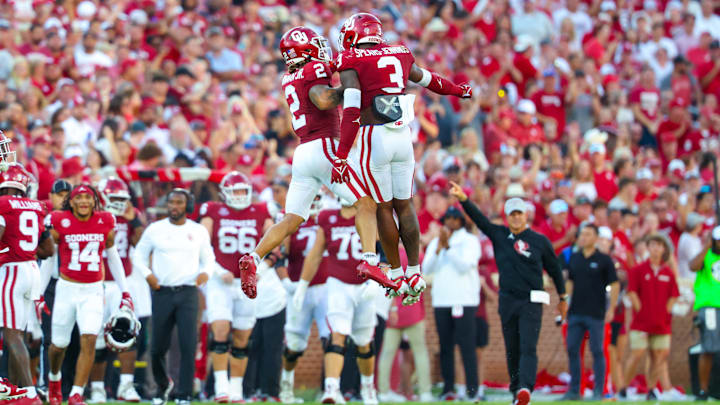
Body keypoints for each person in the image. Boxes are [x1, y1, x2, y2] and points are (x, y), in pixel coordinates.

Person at [238, 26, 391, 301]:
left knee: (292, 219)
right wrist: (350, 91)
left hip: (303, 153)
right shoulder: (314, 70)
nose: (322, 49)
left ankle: (254, 257)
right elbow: (322, 99)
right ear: (305, 50)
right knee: (366, 202)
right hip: (324, 147)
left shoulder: (290, 76)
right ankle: (369, 259)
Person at [333, 13, 472, 303]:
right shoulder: (400, 52)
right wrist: (458, 90)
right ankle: (416, 271)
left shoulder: (351, 60)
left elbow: (352, 111)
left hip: (375, 136)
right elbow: (429, 79)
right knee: (405, 204)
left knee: (385, 207)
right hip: (403, 136)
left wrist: (342, 154)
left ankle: (396, 274)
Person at [449, 182, 567, 405]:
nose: (515, 218)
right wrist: (463, 198)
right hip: (507, 300)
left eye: (519, 214)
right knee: (512, 349)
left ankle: (525, 388)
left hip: (531, 300)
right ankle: (516, 393)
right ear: (506, 216)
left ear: (526, 215)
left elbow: (555, 270)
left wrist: (562, 298)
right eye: (511, 214)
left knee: (528, 346)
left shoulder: (540, 241)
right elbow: (480, 220)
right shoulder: (499, 235)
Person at [46, 184, 134, 405]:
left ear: (95, 201)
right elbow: (49, 258)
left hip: (94, 289)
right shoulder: (60, 219)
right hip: (66, 289)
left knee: (89, 338)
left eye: (88, 197)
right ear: (72, 201)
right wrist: (39, 293)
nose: (84, 201)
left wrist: (125, 291)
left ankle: (77, 393)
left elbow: (112, 257)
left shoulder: (105, 221)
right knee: (58, 345)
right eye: (79, 198)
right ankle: (54, 379)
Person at [133, 189, 214, 405]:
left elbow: (209, 258)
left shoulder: (198, 231)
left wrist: (206, 273)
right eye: (171, 202)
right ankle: (162, 388)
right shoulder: (155, 229)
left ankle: (184, 393)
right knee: (158, 346)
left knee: (188, 345)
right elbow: (138, 255)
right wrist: (148, 275)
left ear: (188, 206)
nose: (174, 206)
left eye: (179, 202)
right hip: (162, 292)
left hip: (188, 292)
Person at [295, 199, 379, 405]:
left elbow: (385, 248)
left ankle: (368, 388)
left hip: (365, 284)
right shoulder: (327, 217)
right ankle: (332, 389)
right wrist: (302, 285)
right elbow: (315, 254)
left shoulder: (370, 213)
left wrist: (380, 276)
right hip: (337, 283)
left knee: (363, 341)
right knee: (337, 335)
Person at [199, 172, 271, 403]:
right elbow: (201, 243)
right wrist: (218, 270)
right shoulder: (213, 210)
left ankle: (237, 390)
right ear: (224, 193)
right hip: (221, 281)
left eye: (242, 191)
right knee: (220, 331)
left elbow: (276, 244)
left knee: (242, 337)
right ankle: (221, 388)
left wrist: (261, 269)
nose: (239, 196)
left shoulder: (261, 211)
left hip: (247, 282)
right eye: (235, 191)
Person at [0, 163, 55, 405]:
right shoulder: (37, 206)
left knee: (11, 337)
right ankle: (16, 394)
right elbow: (48, 248)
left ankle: (31, 396)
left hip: (12, 270)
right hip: (32, 268)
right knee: (18, 335)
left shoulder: (4, 204)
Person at [87, 177, 145, 403]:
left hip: (122, 283)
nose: (120, 203)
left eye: (123, 199)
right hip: (96, 283)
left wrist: (135, 222)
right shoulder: (92, 214)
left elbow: (141, 243)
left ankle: (126, 386)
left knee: (129, 333)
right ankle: (98, 388)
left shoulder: (131, 216)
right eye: (115, 198)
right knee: (96, 337)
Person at [422, 206, 481, 400]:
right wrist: (439, 248)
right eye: (447, 219)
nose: (450, 222)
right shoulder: (437, 242)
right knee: (445, 346)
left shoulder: (470, 241)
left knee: (466, 346)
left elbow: (465, 266)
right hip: (442, 300)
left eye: (454, 219)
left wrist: (448, 248)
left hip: (463, 300)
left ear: (460, 221)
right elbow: (426, 268)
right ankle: (448, 388)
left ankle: (472, 389)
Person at [278, 195, 329, 404]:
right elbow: (279, 256)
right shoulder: (291, 219)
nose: (313, 202)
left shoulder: (329, 218)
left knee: (332, 339)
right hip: (299, 288)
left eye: (317, 198)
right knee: (295, 344)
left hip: (326, 287)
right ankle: (286, 385)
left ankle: (330, 389)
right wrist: (286, 282)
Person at [620, 234, 681, 401]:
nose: (656, 248)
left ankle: (651, 389)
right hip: (641, 323)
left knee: (659, 356)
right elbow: (632, 292)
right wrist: (642, 311)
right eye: (653, 244)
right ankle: (624, 388)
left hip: (661, 324)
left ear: (664, 249)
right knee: (637, 353)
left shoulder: (668, 272)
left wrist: (666, 312)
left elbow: (674, 295)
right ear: (648, 247)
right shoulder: (639, 270)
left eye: (659, 245)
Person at [561, 224, 619, 401]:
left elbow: (615, 284)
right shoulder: (575, 258)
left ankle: (597, 391)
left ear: (595, 237)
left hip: (596, 313)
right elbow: (570, 282)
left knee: (597, 350)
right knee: (572, 348)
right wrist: (566, 303)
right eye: (582, 234)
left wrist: (612, 308)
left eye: (588, 234)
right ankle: (575, 390)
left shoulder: (604, 260)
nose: (584, 237)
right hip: (576, 312)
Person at [688, 225, 720, 401]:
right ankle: (703, 390)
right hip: (709, 307)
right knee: (708, 348)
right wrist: (707, 247)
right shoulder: (707, 256)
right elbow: (692, 266)